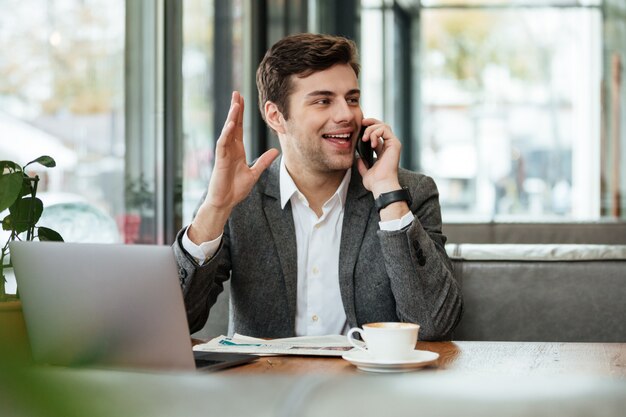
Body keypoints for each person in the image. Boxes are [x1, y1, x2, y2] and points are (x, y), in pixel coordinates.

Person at [173, 33, 462, 340]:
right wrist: (215, 209)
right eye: (323, 101)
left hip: (370, 384)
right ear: (276, 117)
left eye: (352, 99)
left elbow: (434, 324)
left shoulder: (408, 192)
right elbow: (175, 322)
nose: (346, 115)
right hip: (265, 385)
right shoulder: (238, 198)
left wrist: (389, 196)